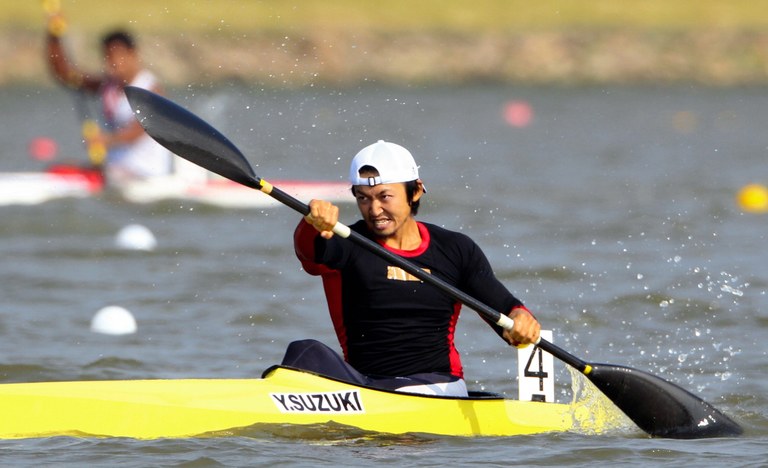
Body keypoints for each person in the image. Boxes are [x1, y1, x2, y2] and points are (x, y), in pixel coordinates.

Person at [289, 140, 541, 397]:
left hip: (439, 385)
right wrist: (312, 222)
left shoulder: (455, 249)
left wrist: (521, 320)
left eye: (385, 197)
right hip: (365, 385)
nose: (375, 210)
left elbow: (506, 310)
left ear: (416, 191)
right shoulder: (347, 242)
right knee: (304, 352)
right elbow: (308, 252)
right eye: (363, 198)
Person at [45, 13, 173, 184]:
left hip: (146, 175)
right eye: (108, 56)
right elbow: (67, 75)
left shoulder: (152, 89)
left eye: (119, 55)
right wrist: (54, 35)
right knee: (59, 170)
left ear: (133, 54)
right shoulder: (108, 86)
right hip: (114, 171)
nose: (114, 62)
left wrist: (105, 140)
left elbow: (139, 130)